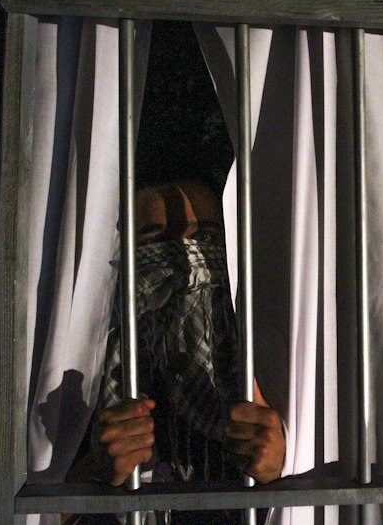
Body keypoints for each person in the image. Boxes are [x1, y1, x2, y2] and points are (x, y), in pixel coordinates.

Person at [66, 179, 285, 524]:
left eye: (205, 239)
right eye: (156, 242)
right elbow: (28, 509)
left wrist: (284, 466)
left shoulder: (270, 357)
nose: (186, 259)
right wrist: (95, 472)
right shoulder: (84, 359)